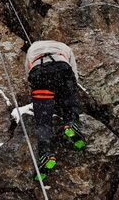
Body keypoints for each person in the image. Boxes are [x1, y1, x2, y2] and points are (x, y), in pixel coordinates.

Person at [25, 39, 85, 180]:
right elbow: (73, 73)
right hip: (61, 68)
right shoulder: (64, 46)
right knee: (69, 102)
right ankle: (71, 122)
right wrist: (70, 91)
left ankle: (46, 153)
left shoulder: (32, 49)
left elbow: (28, 72)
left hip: (39, 74)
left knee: (43, 121)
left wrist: (37, 93)